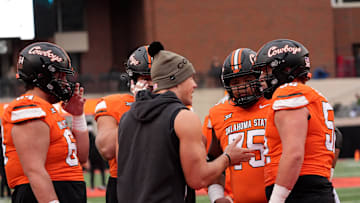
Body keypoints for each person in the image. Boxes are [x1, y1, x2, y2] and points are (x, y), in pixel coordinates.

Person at [116, 46, 256, 203]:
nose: (195, 85)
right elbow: (198, 179)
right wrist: (228, 158)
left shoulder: (126, 118)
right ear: (175, 81)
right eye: (190, 78)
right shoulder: (182, 117)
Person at [1, 42, 89, 203]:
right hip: (42, 194)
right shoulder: (29, 106)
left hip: (65, 191)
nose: (64, 81)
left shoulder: (48, 109)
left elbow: (81, 157)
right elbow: (34, 170)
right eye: (60, 75)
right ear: (42, 76)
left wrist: (78, 115)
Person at [253, 39, 335, 203]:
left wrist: (277, 199)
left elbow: (294, 154)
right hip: (314, 187)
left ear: (285, 69)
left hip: (299, 189)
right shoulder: (315, 97)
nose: (262, 77)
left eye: (266, 70)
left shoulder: (289, 91)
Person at [94, 42, 159, 202]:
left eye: (156, 78)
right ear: (133, 79)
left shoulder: (176, 105)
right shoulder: (113, 103)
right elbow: (107, 150)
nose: (151, 84)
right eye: (146, 78)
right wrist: (138, 109)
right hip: (125, 182)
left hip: (164, 179)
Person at [205, 48, 270, 203]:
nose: (241, 87)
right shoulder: (218, 113)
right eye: (235, 82)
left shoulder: (275, 105)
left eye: (247, 80)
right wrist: (217, 197)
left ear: (259, 78)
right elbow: (211, 161)